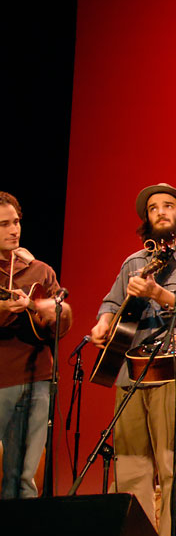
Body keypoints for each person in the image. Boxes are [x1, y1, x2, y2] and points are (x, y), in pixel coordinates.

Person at [90, 183, 176, 536]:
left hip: (173, 371)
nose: (160, 211)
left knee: (173, 469)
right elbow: (111, 303)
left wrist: (158, 294)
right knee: (131, 469)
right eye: (153, 207)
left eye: (168, 205)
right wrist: (103, 321)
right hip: (129, 372)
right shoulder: (134, 263)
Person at [0, 191, 72, 498]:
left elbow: (62, 324)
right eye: (4, 224)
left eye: (16, 222)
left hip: (39, 378)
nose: (14, 229)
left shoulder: (40, 271)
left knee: (26, 479)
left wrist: (52, 311)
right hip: (2, 378)